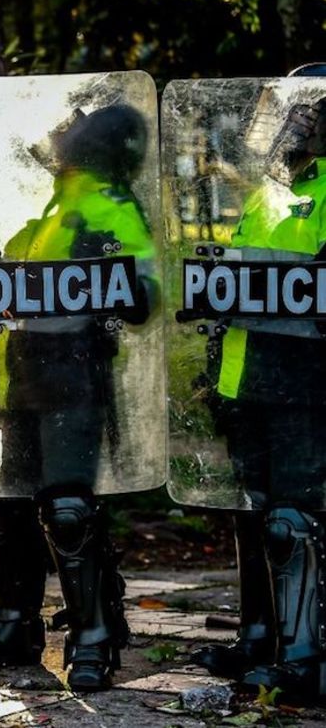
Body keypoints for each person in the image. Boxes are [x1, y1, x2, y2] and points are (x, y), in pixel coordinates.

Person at [0, 105, 156, 692]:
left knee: (67, 509)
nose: (55, 136)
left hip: (75, 383)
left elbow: (142, 292)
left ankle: (91, 637)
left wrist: (118, 274)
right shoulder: (52, 209)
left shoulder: (106, 207)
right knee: (10, 507)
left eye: (69, 129)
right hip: (23, 380)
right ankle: (12, 627)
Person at [189, 64, 326, 690]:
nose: (287, 123)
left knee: (294, 520)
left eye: (305, 112)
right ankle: (261, 639)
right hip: (246, 381)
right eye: (286, 111)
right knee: (257, 512)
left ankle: (303, 660)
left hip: (307, 389)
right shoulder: (270, 193)